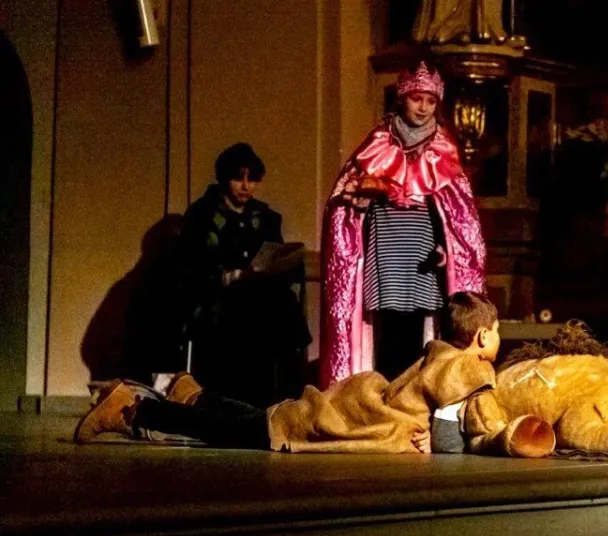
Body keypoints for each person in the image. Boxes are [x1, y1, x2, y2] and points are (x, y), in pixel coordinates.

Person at [73, 292, 501, 454]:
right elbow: (449, 435)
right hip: (340, 422)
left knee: (255, 419)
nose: (499, 338)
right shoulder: (468, 367)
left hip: (344, 408)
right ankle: (134, 410)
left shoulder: (437, 353)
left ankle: (194, 394)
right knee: (229, 431)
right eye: (497, 331)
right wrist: (437, 442)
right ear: (481, 337)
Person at [320, 61, 486, 387]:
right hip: (386, 257)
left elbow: (455, 214)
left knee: (419, 337)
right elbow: (347, 204)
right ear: (402, 98)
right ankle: (382, 400)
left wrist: (447, 248)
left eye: (430, 101)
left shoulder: (443, 150)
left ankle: (412, 400)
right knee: (387, 335)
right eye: (416, 99)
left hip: (423, 261)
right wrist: (361, 197)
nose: (423, 107)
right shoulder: (377, 144)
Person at [175, 143, 311, 408]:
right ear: (225, 178)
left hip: (259, 292)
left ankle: (284, 397)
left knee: (283, 303)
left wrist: (278, 266)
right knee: (247, 310)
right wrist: (228, 275)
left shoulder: (265, 217)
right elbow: (191, 263)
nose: (246, 186)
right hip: (216, 297)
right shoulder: (202, 214)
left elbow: (275, 254)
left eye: (252, 179)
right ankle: (239, 399)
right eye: (239, 178)